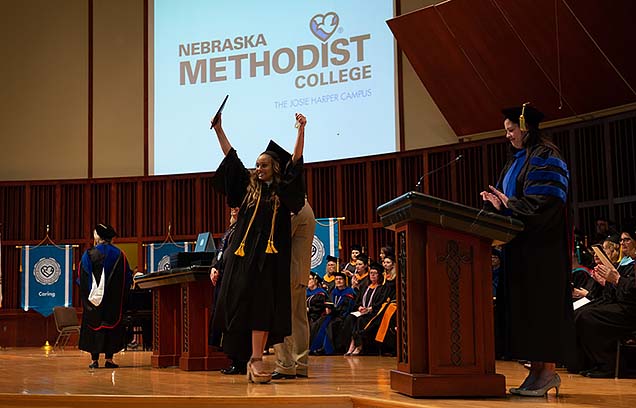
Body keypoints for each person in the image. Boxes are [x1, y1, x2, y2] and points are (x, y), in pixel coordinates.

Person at [480, 104, 572, 397]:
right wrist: (496, 204)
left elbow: (546, 203)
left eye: (511, 129)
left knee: (540, 310)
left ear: (526, 127)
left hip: (542, 252)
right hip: (520, 251)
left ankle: (547, 373)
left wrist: (508, 204)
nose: (507, 135)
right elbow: (512, 202)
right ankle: (535, 373)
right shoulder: (515, 161)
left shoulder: (546, 157)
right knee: (526, 314)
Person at [210, 112, 306, 383]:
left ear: (275, 167)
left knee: (263, 307)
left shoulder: (283, 191)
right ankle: (246, 358)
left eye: (263, 165)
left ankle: (256, 359)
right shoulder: (247, 189)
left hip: (268, 260)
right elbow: (232, 158)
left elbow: (296, 163)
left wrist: (300, 131)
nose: (258, 169)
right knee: (241, 305)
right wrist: (219, 129)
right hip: (242, 260)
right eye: (257, 165)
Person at [573, 223, 636, 377]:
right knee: (580, 312)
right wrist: (608, 281)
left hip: (632, 310)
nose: (622, 243)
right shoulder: (623, 263)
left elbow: (632, 290)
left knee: (588, 316)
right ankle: (591, 363)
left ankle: (609, 365)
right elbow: (615, 292)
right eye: (621, 240)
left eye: (626, 239)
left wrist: (615, 280)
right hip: (623, 304)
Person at [272, 198, 316, 380]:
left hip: (288, 272)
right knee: (299, 320)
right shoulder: (307, 208)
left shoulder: (295, 209)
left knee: (282, 317)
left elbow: (279, 237)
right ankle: (301, 364)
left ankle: (285, 365)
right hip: (301, 271)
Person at [78, 223, 132, 369]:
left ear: (98, 236)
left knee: (95, 326)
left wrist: (89, 295)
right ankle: (109, 359)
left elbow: (81, 277)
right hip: (113, 302)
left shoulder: (88, 254)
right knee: (111, 328)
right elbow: (127, 278)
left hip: (94, 302)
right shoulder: (120, 254)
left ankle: (94, 360)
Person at [208, 207, 248, 375]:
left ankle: (241, 362)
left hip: (236, 281)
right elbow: (220, 253)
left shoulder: (245, 229)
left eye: (236, 208)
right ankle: (233, 359)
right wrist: (214, 268)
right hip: (223, 279)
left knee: (236, 322)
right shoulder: (230, 230)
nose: (233, 211)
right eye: (232, 208)